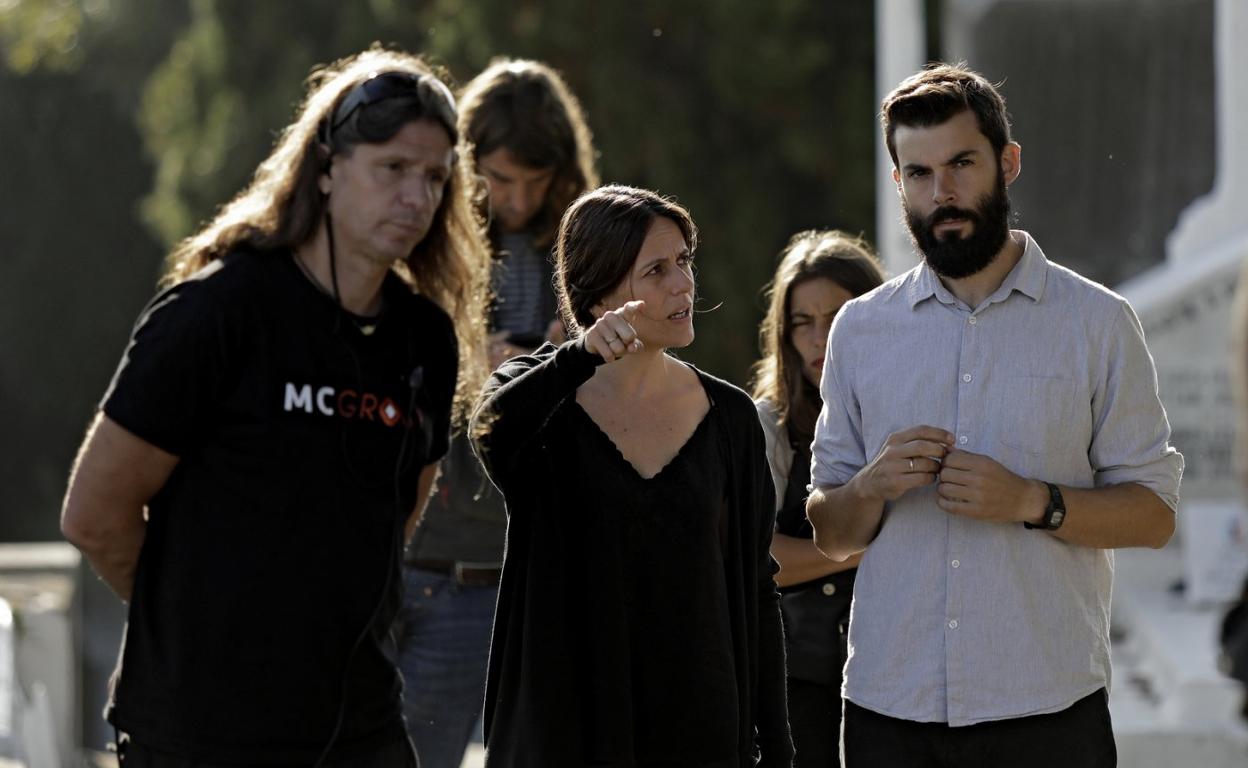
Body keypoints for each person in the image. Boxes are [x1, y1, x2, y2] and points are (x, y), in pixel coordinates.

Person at [59, 46, 492, 766]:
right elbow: (93, 514)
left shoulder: (424, 341)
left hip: (358, 729)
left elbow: (396, 519)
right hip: (202, 733)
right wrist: (201, 625)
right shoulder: (219, 312)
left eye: (435, 178)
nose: (417, 198)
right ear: (326, 167)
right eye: (393, 169)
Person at [806, 63, 1184, 767]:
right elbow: (830, 532)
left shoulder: (1098, 323)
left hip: (1046, 711)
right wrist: (870, 487)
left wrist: (1033, 502)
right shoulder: (860, 329)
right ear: (898, 185)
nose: (942, 194)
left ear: (1007, 163)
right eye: (918, 173)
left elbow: (1154, 515)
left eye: (961, 164)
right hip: (890, 711)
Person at [471, 185, 793, 766]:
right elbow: (489, 430)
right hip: (564, 733)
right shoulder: (542, 399)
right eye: (656, 270)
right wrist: (579, 357)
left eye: (685, 262)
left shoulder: (730, 419)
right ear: (599, 297)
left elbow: (754, 591)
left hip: (698, 733)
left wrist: (776, 745)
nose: (684, 284)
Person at [396, 58, 598, 767]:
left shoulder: (585, 245)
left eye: (532, 183)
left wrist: (569, 355)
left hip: (519, 557)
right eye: (498, 179)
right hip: (421, 545)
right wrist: (469, 351)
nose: (513, 200)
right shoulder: (423, 236)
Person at [750, 230, 884, 767]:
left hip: (895, 677)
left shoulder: (912, 413)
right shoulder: (767, 425)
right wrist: (861, 549)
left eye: (837, 318)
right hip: (793, 685)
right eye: (802, 322)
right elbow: (752, 558)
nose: (818, 338)